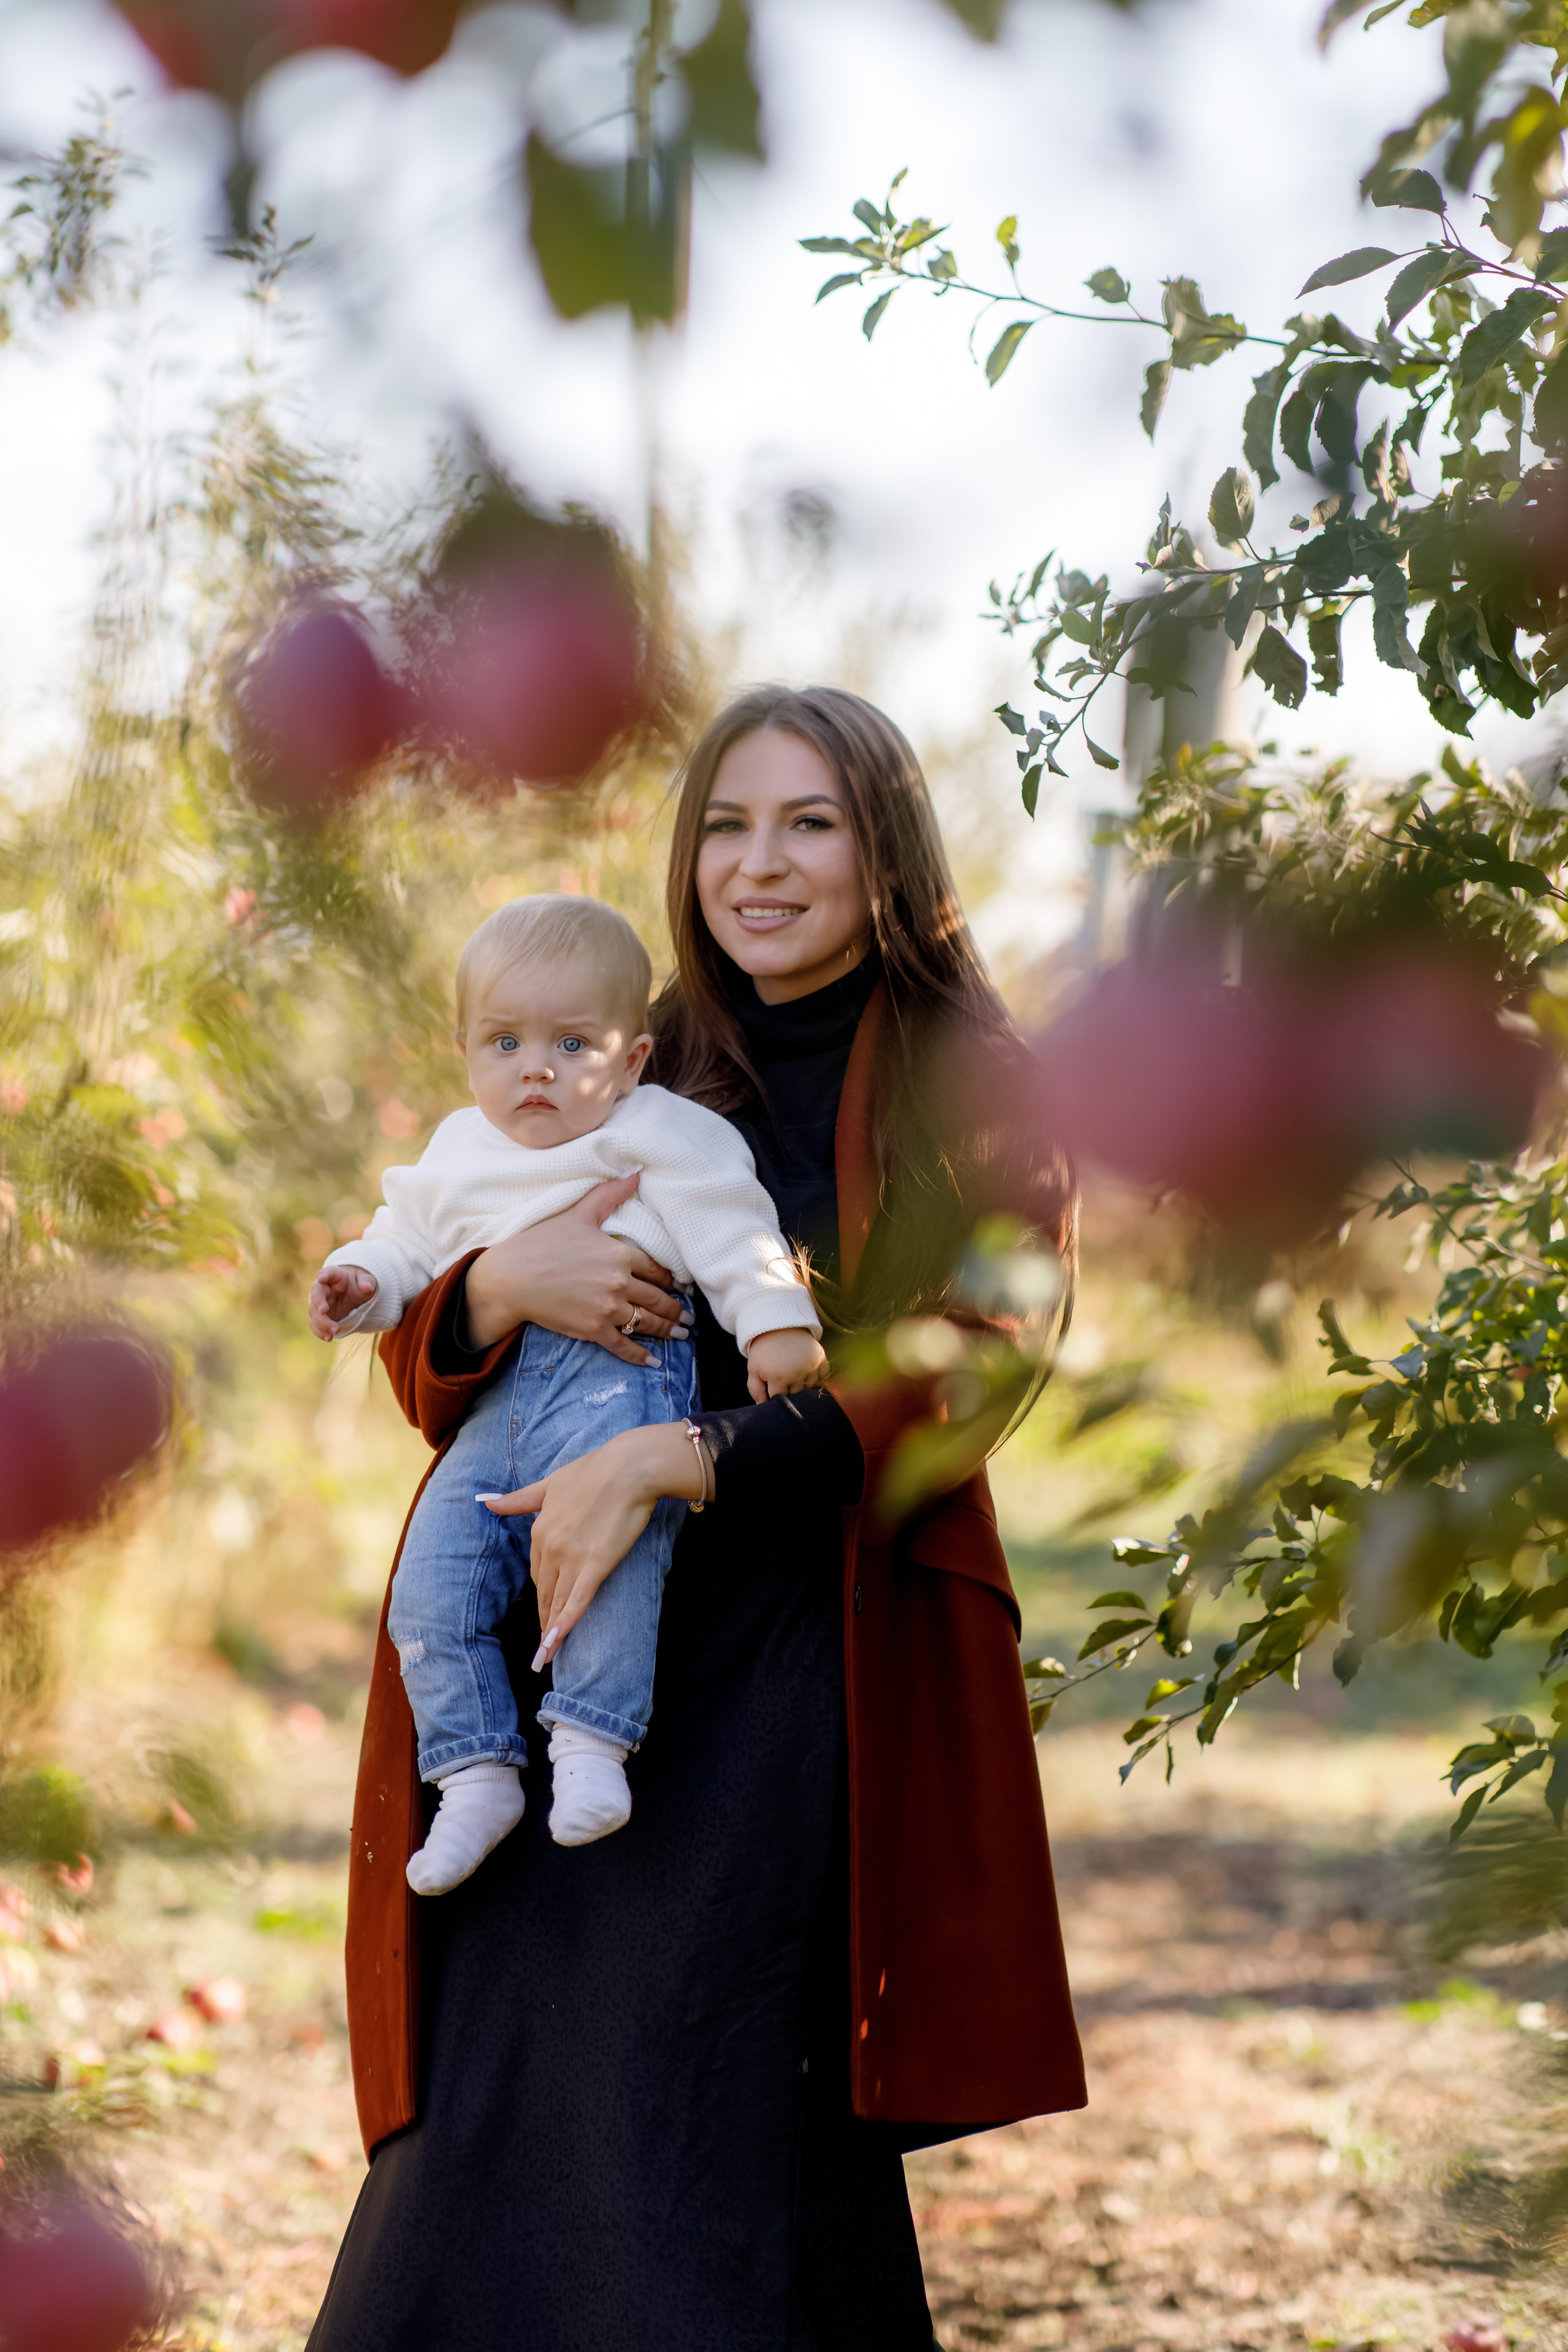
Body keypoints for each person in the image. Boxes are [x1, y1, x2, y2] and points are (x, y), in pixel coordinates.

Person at [307, 685, 1085, 2352]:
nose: (762, 864)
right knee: (502, 2067)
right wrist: (497, 1286)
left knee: (708, 2084)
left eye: (810, 823)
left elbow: (984, 1356)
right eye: (728, 825)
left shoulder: (978, 1079)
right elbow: (429, 1348)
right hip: (569, 1617)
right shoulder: (617, 1050)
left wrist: (698, 1456)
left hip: (806, 1647)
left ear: (885, 848)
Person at [305, 892, 824, 1879]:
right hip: (493, 1415)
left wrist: (776, 1322)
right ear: (465, 1051)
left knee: (612, 1566)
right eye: (503, 1042)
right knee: (429, 1592)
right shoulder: (459, 1148)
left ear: (632, 1060)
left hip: (616, 1385)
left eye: (572, 1044)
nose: (534, 1067)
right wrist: (359, 1281)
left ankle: (591, 1742)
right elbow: (406, 1241)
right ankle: (475, 1774)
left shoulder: (658, 1130)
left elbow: (731, 1221)